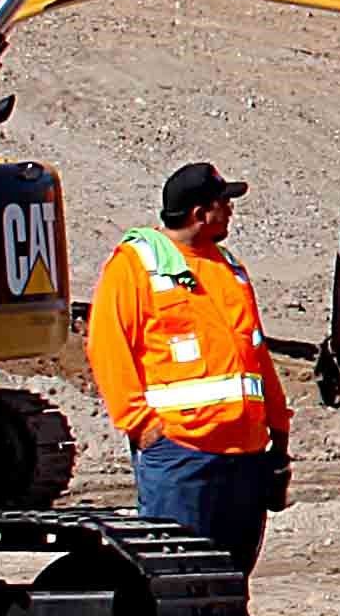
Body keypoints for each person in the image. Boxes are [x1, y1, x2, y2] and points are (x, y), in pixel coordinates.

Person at [88, 160, 287, 569]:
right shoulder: (134, 265)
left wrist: (278, 427)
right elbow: (107, 347)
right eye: (223, 203)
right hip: (181, 453)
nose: (230, 210)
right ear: (200, 213)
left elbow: (255, 352)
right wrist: (142, 426)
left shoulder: (229, 267)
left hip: (245, 454)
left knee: (232, 575)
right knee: (175, 574)